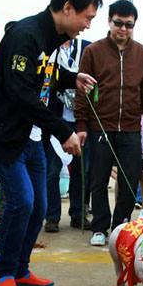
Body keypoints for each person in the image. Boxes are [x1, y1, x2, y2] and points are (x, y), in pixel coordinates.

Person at [0, 0, 99, 286]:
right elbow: (21, 93)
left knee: (40, 205)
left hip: (32, 136)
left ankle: (20, 268)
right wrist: (64, 131)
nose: (88, 25)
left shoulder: (52, 38)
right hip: (5, 134)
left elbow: (45, 74)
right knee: (22, 201)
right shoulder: (26, 35)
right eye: (87, 17)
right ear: (69, 8)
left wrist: (72, 78)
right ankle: (3, 272)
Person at [74, 0, 143, 247]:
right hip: (100, 127)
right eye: (118, 23)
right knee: (98, 179)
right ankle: (99, 227)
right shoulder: (93, 52)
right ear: (109, 21)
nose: (123, 29)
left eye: (129, 25)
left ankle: (121, 226)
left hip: (131, 129)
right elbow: (83, 91)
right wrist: (81, 126)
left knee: (130, 179)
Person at [43, 34, 90, 233]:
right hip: (55, 121)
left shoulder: (86, 49)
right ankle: (52, 216)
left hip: (81, 121)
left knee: (81, 171)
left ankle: (78, 214)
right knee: (52, 171)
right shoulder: (48, 49)